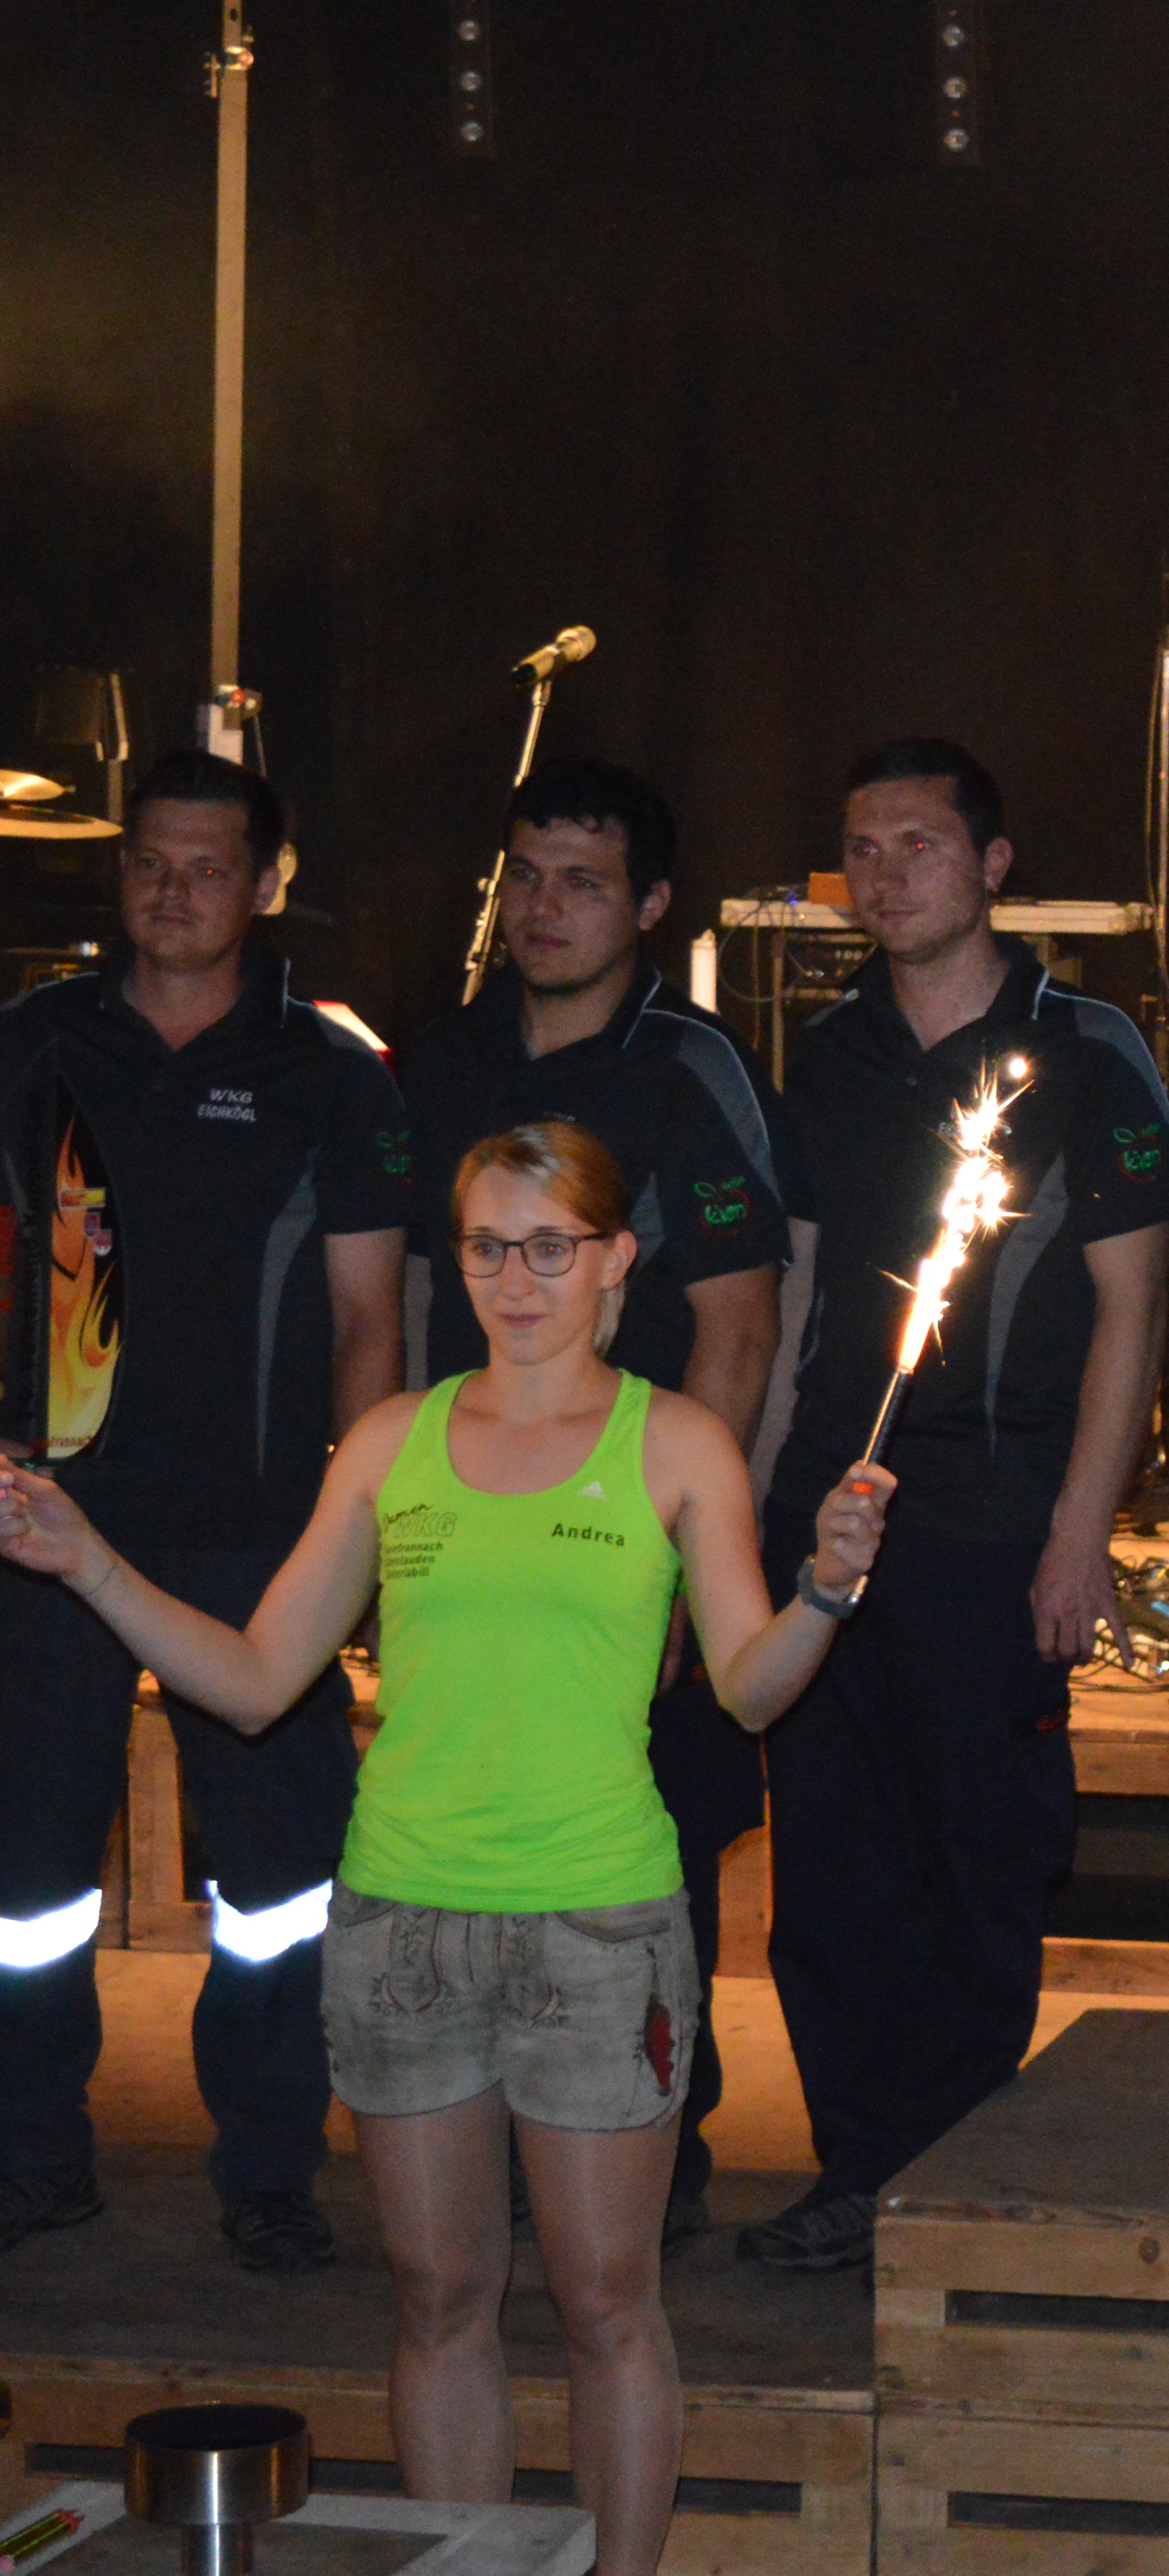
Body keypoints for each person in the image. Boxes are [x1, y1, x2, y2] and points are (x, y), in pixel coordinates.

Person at [0, 1119, 892, 2576]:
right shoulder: (393, 1442)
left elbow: (747, 1687)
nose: (515, 1280)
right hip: (402, 1925)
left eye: (549, 1247)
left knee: (607, 2305)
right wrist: (88, 1563)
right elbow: (256, 1677)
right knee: (436, 2301)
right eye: (486, 1247)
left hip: (599, 1928)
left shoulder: (677, 1442)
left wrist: (826, 1595)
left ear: (615, 1259)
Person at [744, 739, 1169, 2272]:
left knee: (976, 1861)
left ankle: (943, 2190)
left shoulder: (1088, 1050)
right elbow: (797, 1288)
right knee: (828, 1872)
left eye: (919, 845)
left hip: (995, 1518)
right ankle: (854, 2175)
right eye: (862, 849)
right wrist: (758, 1506)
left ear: (993, 867)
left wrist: (1080, 1535)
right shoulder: (831, 1053)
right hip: (829, 1512)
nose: (885, 875)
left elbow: (1135, 1307)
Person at [0, 749, 405, 2271]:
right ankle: (33, 2155)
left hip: (259, 1539)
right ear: (120, 876)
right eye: (151, 864)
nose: (175, 893)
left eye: (209, 867)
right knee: (26, 1880)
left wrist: (351, 1534)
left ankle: (270, 2171)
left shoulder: (332, 1072)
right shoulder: (31, 1044)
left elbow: (370, 1324)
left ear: (267, 884)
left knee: (277, 1883)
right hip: (45, 1528)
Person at [394, 756, 790, 2252]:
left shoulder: (688, 1068)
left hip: (626, 1545)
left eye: (583, 882)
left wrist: (682, 1556)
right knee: (470, 1822)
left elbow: (741, 1327)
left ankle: (652, 2158)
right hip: (470, 1539)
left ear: (652, 905)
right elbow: (410, 1298)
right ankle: (483, 2150)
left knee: (649, 1860)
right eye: (525, 876)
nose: (543, 909)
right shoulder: (444, 1059)